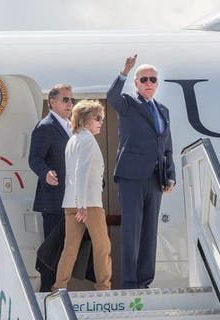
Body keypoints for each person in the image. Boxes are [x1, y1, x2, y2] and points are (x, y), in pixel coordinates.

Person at [106, 54, 175, 289]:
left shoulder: (163, 110)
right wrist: (124, 71)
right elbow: (111, 97)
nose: (148, 83)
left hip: (155, 179)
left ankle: (145, 282)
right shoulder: (128, 103)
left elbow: (167, 147)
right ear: (136, 83)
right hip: (131, 177)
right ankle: (129, 283)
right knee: (131, 232)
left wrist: (170, 175)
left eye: (152, 79)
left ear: (157, 83)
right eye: (143, 79)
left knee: (149, 233)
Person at [52, 100, 112, 291]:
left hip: (71, 202)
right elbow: (81, 172)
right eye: (98, 118)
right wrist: (82, 205)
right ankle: (103, 287)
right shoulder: (87, 140)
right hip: (89, 203)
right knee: (103, 246)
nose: (101, 122)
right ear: (86, 120)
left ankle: (59, 286)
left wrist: (77, 203)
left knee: (70, 248)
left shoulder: (73, 139)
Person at [29, 84, 74, 292]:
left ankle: (59, 290)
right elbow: (34, 158)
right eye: (65, 100)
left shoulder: (71, 126)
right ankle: (47, 293)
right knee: (52, 250)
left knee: (67, 250)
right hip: (53, 200)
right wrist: (45, 173)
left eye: (71, 100)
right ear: (52, 102)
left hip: (70, 199)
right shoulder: (46, 126)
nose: (70, 104)